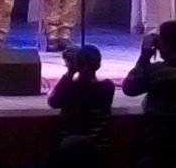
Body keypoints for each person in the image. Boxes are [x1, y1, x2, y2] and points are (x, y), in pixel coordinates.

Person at [122, 20, 176, 158]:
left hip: (158, 139)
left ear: (167, 45)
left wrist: (144, 58)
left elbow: (129, 88)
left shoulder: (156, 72)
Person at [48, 44, 115, 147]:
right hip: (98, 148)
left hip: (70, 149)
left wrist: (70, 71)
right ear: (98, 65)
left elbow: (53, 102)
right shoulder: (107, 87)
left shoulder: (70, 88)